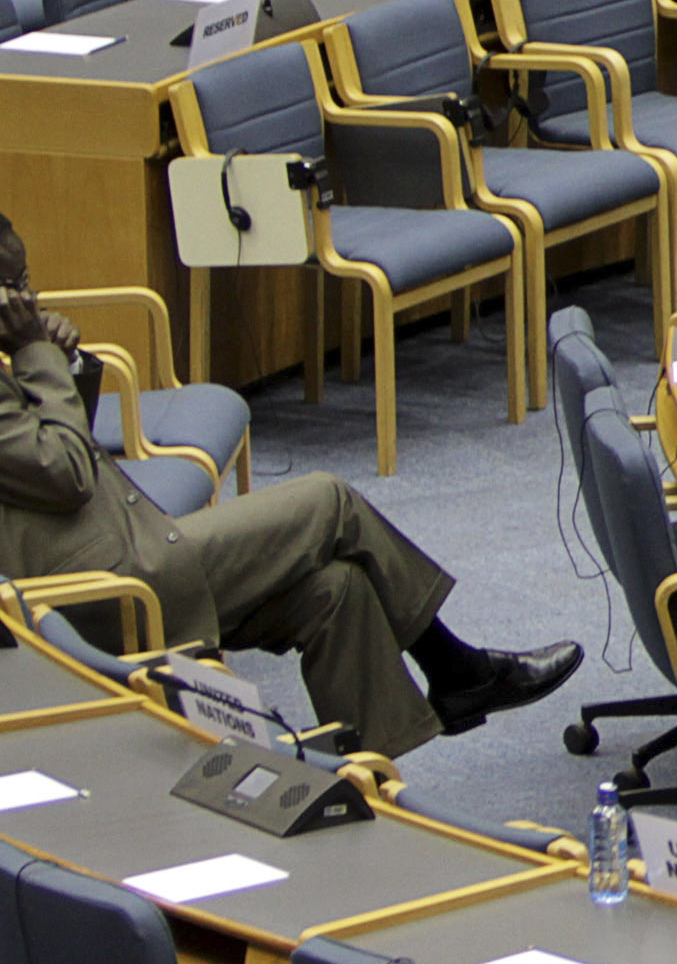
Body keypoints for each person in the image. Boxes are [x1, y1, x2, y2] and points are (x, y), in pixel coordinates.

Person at [0, 214, 577, 755]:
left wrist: (63, 363)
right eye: (13, 286)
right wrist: (35, 352)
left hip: (134, 545)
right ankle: (457, 669)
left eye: (27, 280)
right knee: (329, 502)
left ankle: (376, 790)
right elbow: (66, 471)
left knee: (338, 589)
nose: (29, 300)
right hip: (111, 591)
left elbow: (45, 454)